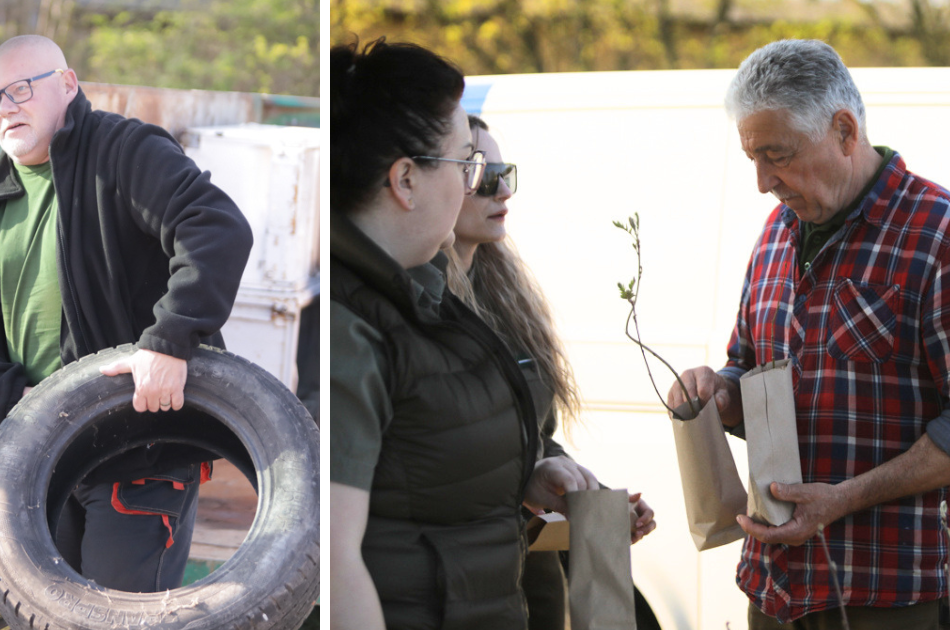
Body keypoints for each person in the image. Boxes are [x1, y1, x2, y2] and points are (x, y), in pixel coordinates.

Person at [0, 35, 252, 593]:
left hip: (136, 444)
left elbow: (214, 226)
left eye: (20, 90)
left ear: (69, 83)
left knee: (121, 614)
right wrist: (13, 401)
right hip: (36, 453)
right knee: (46, 612)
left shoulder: (124, 152)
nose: (4, 108)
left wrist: (168, 340)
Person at [669, 39, 950, 629]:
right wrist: (718, 394)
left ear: (845, 131)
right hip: (772, 590)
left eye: (778, 154)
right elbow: (746, 368)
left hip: (887, 596)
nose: (763, 180)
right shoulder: (776, 230)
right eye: (752, 158)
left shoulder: (938, 234)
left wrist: (841, 500)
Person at [331, 38, 601, 630]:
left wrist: (527, 473)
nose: (486, 187)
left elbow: (418, 469)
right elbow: (337, 560)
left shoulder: (418, 293)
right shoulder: (352, 324)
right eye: (469, 167)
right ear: (405, 180)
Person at [445, 115, 656, 629]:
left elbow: (536, 440)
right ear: (417, 181)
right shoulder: (414, 312)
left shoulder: (505, 299)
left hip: (530, 574)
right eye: (481, 174)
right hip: (462, 583)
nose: (503, 190)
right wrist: (531, 479)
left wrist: (589, 495)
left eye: (506, 172)